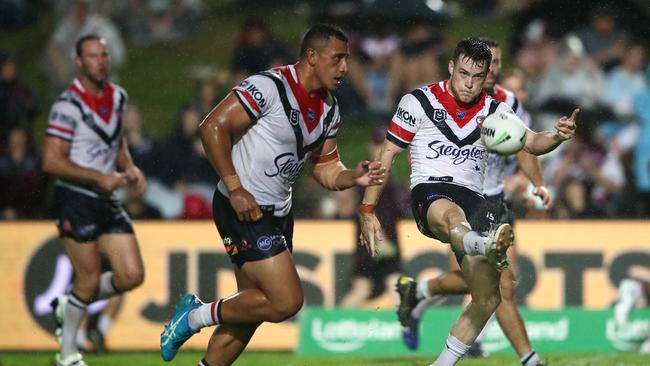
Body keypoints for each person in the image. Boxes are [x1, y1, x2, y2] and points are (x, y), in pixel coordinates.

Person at [159, 24, 385, 365]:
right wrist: (235, 188)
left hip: (278, 213)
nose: (344, 68)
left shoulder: (329, 109)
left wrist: (354, 176)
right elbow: (212, 127)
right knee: (286, 302)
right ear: (312, 56)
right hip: (243, 208)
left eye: (347, 60)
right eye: (338, 58)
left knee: (248, 310)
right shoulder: (269, 87)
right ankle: (193, 316)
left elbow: (324, 169)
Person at [358, 37, 578, 366]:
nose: (469, 83)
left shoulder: (495, 110)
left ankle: (441, 359)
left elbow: (531, 142)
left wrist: (557, 136)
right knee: (452, 216)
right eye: (463, 74)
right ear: (451, 67)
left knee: (488, 297)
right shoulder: (419, 101)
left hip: (477, 202)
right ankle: (482, 247)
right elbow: (387, 154)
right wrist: (367, 208)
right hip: (430, 193)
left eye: (477, 77)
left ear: (488, 75)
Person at [42, 34, 146, 366]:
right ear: (79, 61)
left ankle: (69, 304)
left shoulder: (118, 97)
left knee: (131, 275)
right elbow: (51, 161)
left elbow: (117, 140)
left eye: (104, 55)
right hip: (75, 197)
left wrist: (129, 166)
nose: (100, 61)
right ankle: (67, 354)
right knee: (87, 279)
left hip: (105, 197)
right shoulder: (67, 105)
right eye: (92, 56)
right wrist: (96, 176)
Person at [340, 126, 409, 308]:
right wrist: (379, 238)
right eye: (378, 144)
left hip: (387, 240)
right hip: (372, 239)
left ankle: (397, 331)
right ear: (371, 146)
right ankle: (330, 324)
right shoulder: (371, 174)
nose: (381, 149)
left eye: (384, 145)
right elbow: (363, 207)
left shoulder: (390, 175)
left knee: (391, 287)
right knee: (363, 288)